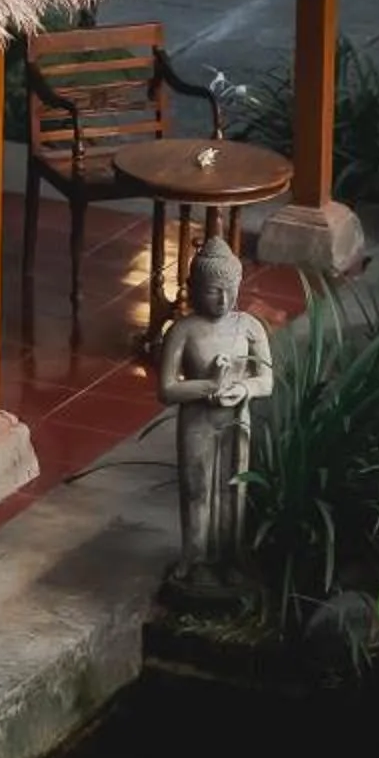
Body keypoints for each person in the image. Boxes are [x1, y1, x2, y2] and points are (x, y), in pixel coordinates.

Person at [152, 236, 273, 601]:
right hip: (198, 421)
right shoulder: (183, 331)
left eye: (229, 291)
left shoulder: (249, 327)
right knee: (197, 488)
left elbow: (266, 379)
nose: (222, 300)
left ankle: (229, 557)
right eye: (213, 292)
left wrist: (242, 389)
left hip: (237, 419)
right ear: (192, 290)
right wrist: (209, 386)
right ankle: (195, 558)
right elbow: (167, 389)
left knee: (233, 488)